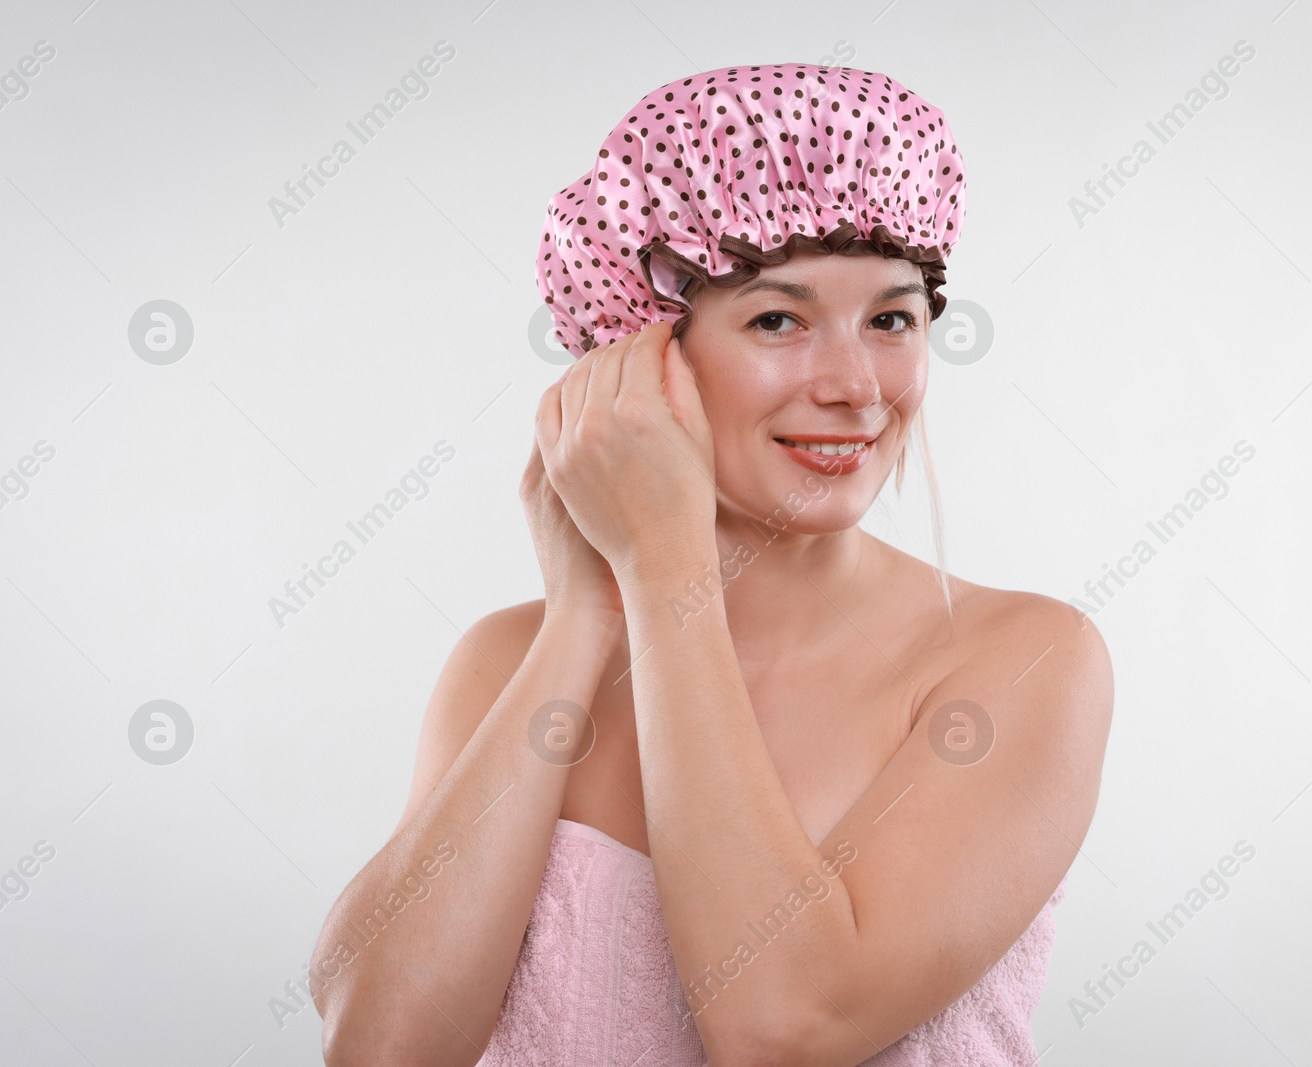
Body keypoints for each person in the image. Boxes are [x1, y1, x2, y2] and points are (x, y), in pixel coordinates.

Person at [310, 62, 1113, 1067]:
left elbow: (784, 1024)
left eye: (892, 319)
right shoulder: (504, 660)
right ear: (641, 359)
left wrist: (662, 571)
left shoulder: (1027, 659)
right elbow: (381, 1045)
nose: (857, 386)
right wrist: (582, 615)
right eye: (778, 319)